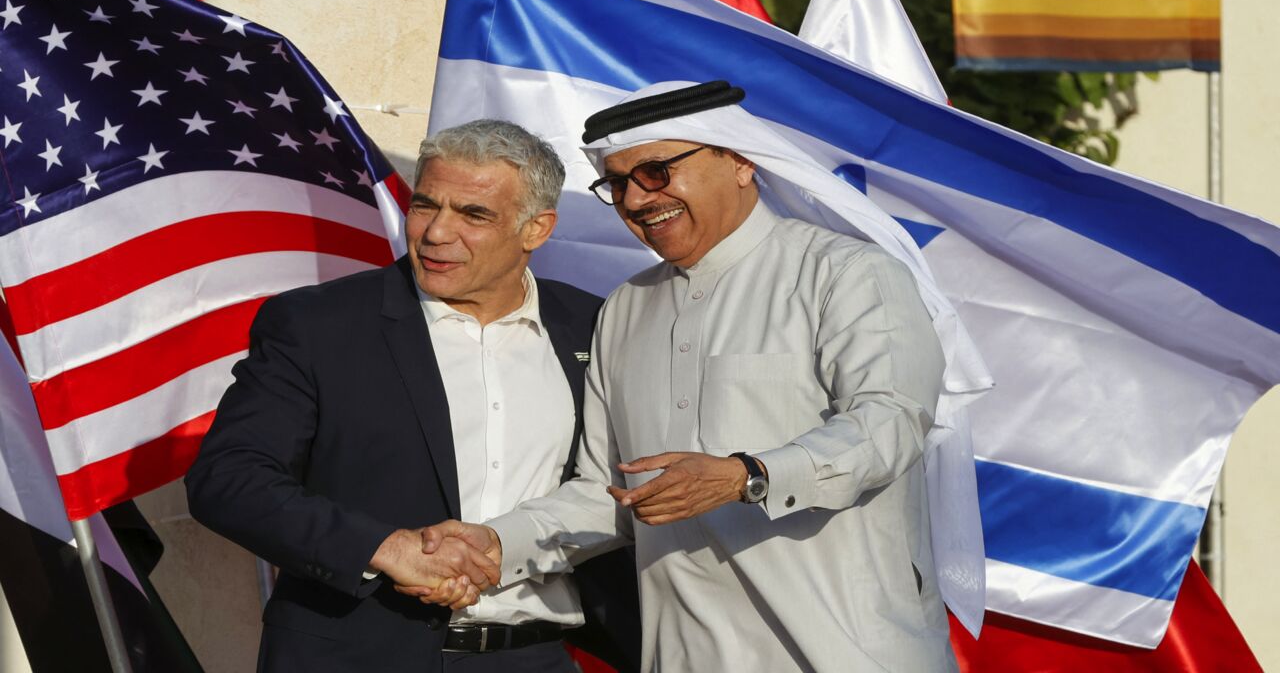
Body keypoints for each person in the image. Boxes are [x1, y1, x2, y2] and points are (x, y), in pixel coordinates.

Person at [414, 81, 993, 671]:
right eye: (618, 184)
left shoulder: (845, 274)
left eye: (657, 172)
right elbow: (606, 495)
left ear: (739, 161)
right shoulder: (625, 308)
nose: (636, 199)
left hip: (843, 651)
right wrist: (496, 543)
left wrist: (750, 476)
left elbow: (890, 423)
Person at [185, 119, 638, 673]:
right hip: (353, 656)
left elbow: (624, 485)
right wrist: (385, 549)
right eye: (425, 205)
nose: (436, 233)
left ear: (536, 229)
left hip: (537, 657)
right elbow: (228, 479)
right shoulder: (317, 325)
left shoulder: (598, 326)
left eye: (473, 214)